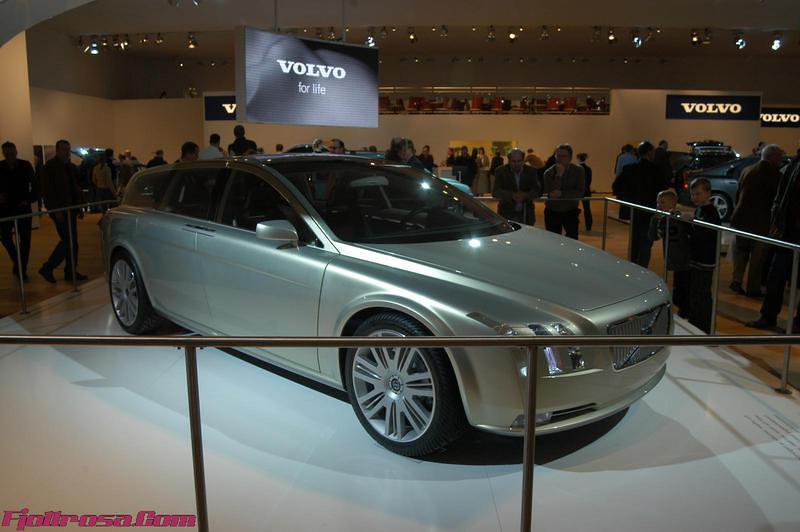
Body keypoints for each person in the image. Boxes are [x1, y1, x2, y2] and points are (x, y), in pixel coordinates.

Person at [747, 158, 800, 330]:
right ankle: (768, 317)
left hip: (791, 232)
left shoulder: (794, 164)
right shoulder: (794, 164)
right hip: (787, 233)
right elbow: (782, 195)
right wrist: (776, 218)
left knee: (777, 276)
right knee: (775, 277)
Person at [729, 144, 784, 297]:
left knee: (740, 252)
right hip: (761, 222)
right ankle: (753, 288)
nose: (780, 160)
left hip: (741, 218)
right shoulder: (776, 175)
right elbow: (776, 201)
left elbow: (738, 194)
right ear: (773, 157)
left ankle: (736, 281)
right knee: (757, 258)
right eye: (779, 157)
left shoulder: (747, 170)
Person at [38, 139, 87, 283]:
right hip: (60, 210)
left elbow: (75, 188)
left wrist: (79, 207)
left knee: (72, 242)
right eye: (64, 149)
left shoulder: (70, 167)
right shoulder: (50, 167)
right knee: (68, 241)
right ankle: (48, 267)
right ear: (57, 150)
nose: (67, 152)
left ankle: (70, 272)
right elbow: (48, 191)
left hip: (70, 209)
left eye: (68, 149)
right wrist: (55, 210)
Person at [625, 141, 670, 268]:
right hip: (649, 211)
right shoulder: (656, 170)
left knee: (634, 242)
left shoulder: (630, 169)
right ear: (649, 152)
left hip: (635, 211)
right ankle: (642, 270)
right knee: (646, 243)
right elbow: (663, 188)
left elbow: (618, 187)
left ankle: (631, 268)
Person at [648, 190, 691, 317]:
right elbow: (653, 236)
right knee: (678, 290)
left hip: (686, 260)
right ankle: (683, 311)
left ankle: (687, 312)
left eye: (662, 202)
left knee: (684, 289)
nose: (659, 206)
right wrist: (655, 220)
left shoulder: (680, 218)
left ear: (673, 203)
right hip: (674, 259)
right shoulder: (663, 220)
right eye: (657, 203)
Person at [687, 178, 721, 333]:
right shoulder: (700, 210)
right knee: (695, 290)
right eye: (693, 194)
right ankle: (695, 321)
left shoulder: (711, 212)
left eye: (698, 194)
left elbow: (705, 234)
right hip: (697, 256)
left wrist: (691, 222)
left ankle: (704, 325)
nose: (695, 197)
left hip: (705, 258)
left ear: (708, 193)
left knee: (703, 292)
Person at [0, 141, 36, 280]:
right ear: (4, 153)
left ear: (16, 152)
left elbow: (35, 185)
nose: (10, 155)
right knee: (6, 238)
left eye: (11, 153)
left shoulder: (25, 165)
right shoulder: (1, 167)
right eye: (7, 153)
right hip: (5, 210)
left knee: (25, 240)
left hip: (22, 208)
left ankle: (21, 268)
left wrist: (28, 200)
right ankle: (19, 264)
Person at [542, 144, 585, 239]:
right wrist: (559, 176)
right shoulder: (548, 173)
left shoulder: (578, 171)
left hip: (571, 211)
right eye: (558, 156)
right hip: (552, 211)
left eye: (564, 156)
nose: (560, 159)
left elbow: (580, 192)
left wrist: (562, 194)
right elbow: (550, 192)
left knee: (572, 239)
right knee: (553, 240)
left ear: (570, 158)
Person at [492, 148, 540, 225]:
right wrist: (512, 195)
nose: (516, 164)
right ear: (509, 160)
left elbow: (537, 190)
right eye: (513, 161)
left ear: (523, 160)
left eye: (519, 161)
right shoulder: (500, 171)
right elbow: (495, 192)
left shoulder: (531, 171)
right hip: (506, 212)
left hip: (527, 213)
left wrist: (525, 195)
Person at [612, 144, 638, 220]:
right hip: (632, 179)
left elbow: (618, 169)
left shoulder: (621, 157)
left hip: (623, 179)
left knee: (623, 196)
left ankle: (623, 214)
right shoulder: (634, 157)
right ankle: (630, 214)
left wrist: (616, 179)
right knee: (630, 197)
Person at [576, 152, 593, 231]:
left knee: (574, 208)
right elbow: (589, 181)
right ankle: (588, 226)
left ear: (578, 159)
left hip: (577, 191)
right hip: (586, 191)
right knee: (587, 209)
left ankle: (575, 223)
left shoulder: (576, 169)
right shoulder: (588, 169)